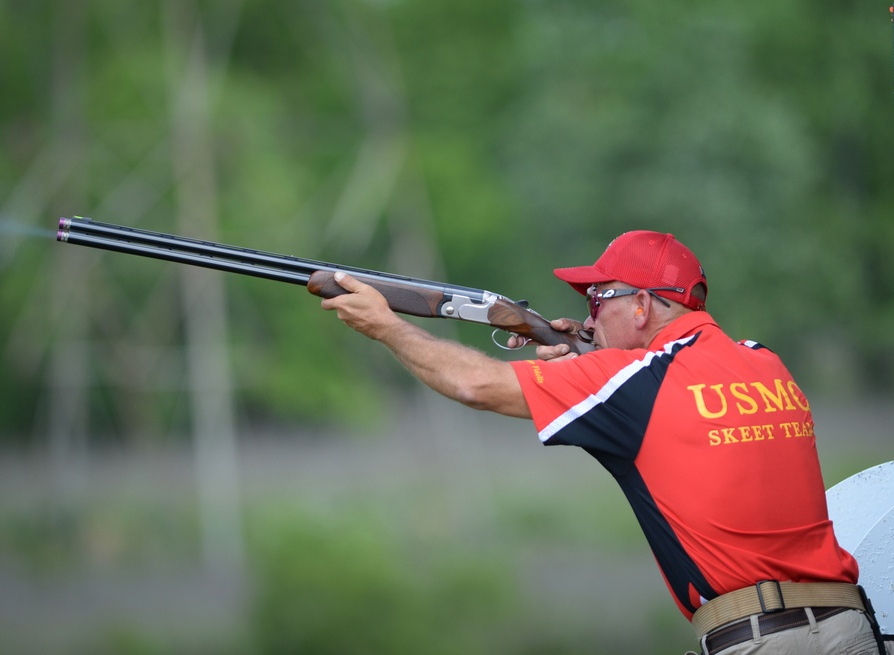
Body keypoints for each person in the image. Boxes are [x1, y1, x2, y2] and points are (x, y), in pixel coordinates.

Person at [320, 230, 885, 655]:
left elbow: (473, 384)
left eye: (599, 300)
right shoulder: (766, 364)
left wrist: (386, 326)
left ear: (641, 306)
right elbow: (685, 410)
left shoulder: (635, 383)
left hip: (762, 641)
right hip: (852, 629)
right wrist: (594, 364)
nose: (589, 317)